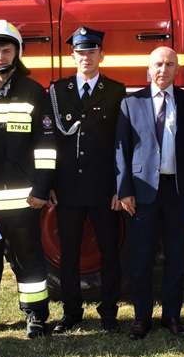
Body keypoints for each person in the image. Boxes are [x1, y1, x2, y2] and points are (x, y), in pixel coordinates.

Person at [37, 27, 126, 334]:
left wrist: (120, 186)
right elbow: (47, 141)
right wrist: (47, 184)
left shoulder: (116, 91)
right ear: (72, 56)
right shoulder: (57, 91)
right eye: (80, 52)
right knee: (69, 253)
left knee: (109, 253)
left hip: (104, 189)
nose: (86, 57)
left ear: (101, 55)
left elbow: (121, 143)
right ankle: (71, 311)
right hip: (67, 189)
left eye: (91, 51)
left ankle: (109, 312)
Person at [0, 20, 56, 339]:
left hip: (24, 199)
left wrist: (41, 189)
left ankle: (36, 316)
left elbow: (47, 147)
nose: (1, 57)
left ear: (17, 53)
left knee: (29, 260)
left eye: (7, 50)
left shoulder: (34, 92)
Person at [115, 47, 184, 340]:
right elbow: (122, 150)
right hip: (143, 192)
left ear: (178, 70)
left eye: (169, 64)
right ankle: (141, 318)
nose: (163, 69)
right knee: (142, 257)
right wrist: (124, 190)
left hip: (177, 190)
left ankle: (172, 316)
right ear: (149, 69)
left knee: (176, 256)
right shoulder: (131, 103)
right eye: (158, 64)